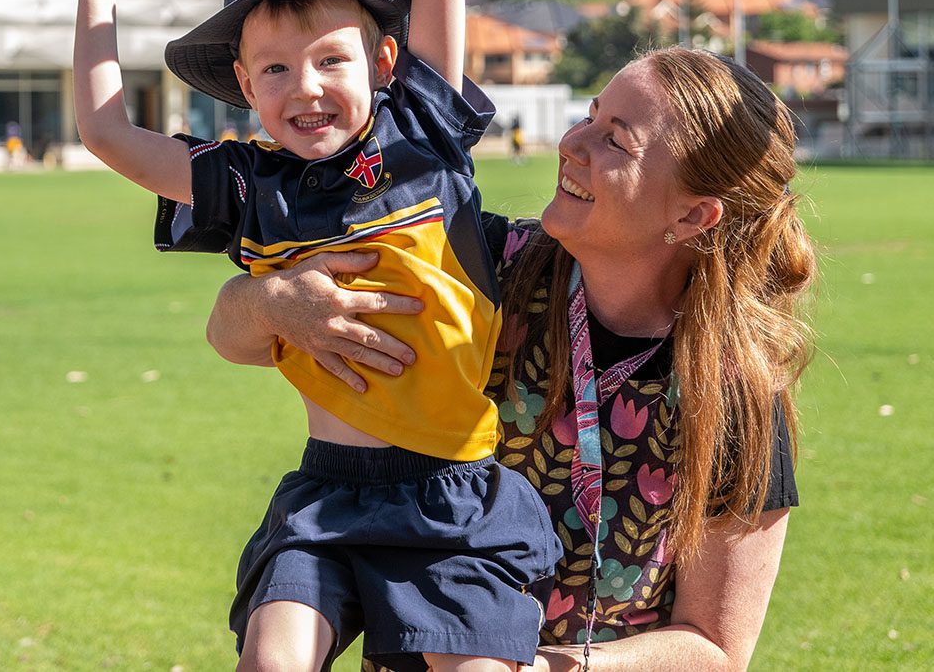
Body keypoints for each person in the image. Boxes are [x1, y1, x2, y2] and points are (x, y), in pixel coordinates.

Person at [66, 0, 560, 672]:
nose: (307, 86)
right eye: (278, 70)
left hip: (452, 492)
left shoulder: (424, 129)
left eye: (332, 58)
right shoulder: (251, 181)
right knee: (271, 658)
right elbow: (108, 135)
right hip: (329, 495)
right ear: (245, 86)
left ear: (380, 64)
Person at [208, 46, 816, 671]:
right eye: (590, 114)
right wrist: (269, 303)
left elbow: (715, 647)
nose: (572, 142)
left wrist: (538, 667)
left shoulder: (736, 390)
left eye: (616, 140)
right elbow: (233, 339)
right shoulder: (483, 266)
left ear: (693, 215)